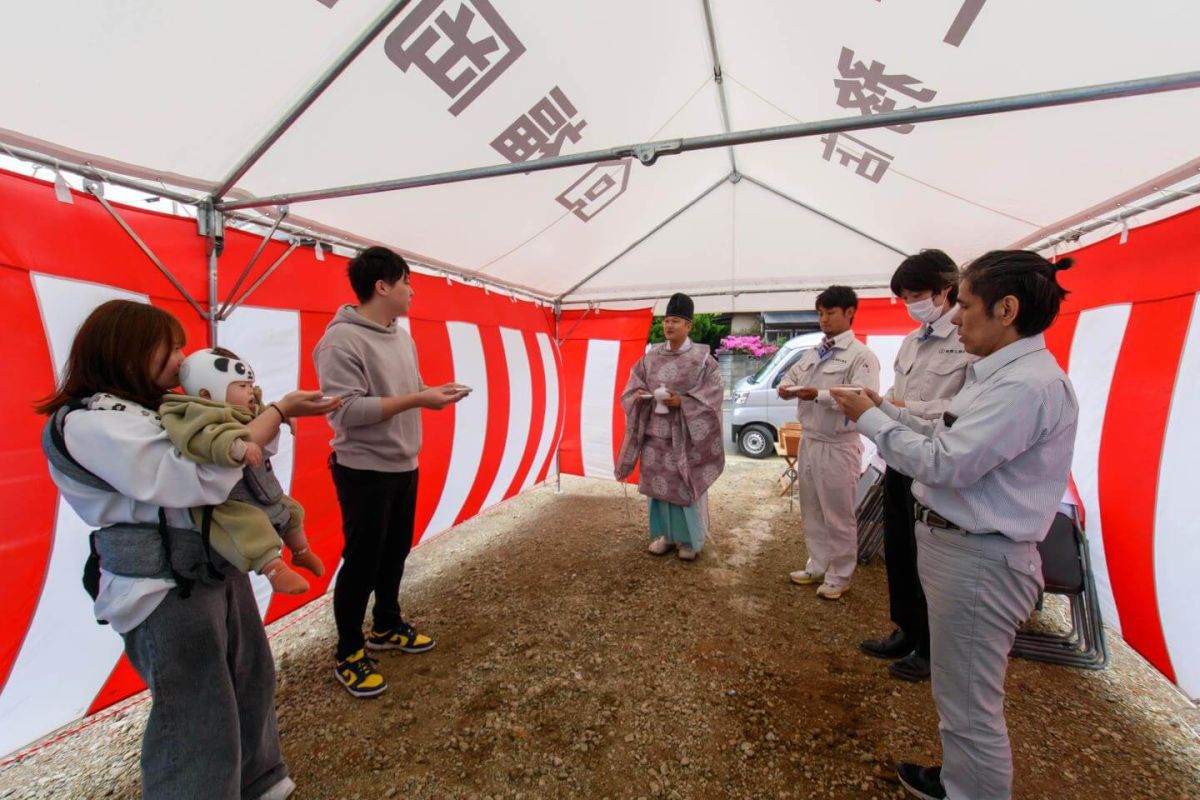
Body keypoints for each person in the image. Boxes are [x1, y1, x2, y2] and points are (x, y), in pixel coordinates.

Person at [38, 299, 337, 800]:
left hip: (213, 566)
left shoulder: (160, 407)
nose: (180, 356)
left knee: (250, 676)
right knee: (196, 711)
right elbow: (191, 480)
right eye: (168, 346)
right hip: (161, 585)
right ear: (126, 349)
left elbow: (237, 455)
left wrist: (252, 415)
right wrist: (276, 414)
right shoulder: (90, 423)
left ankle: (260, 782)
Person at [834, 251, 1079, 800]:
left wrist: (869, 418)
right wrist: (883, 408)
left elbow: (945, 463)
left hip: (981, 557)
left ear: (1006, 308)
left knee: (970, 704)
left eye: (965, 304)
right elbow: (946, 430)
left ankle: (971, 790)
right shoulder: (1001, 374)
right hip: (962, 548)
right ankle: (958, 780)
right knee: (958, 691)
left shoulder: (1026, 387)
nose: (956, 316)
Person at [315, 246, 469, 698]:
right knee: (362, 561)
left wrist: (430, 390)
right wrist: (420, 400)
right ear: (382, 286)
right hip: (363, 470)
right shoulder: (339, 341)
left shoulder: (400, 334)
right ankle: (348, 651)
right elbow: (346, 413)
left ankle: (386, 624)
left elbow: (407, 388)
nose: (411, 291)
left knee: (396, 550)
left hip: (404, 463)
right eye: (406, 282)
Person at [860, 251, 974, 683]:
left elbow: (961, 407)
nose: (911, 303)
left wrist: (900, 407)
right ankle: (906, 629)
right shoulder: (911, 340)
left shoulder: (968, 339)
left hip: (939, 462)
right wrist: (881, 402)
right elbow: (897, 390)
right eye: (905, 297)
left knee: (931, 557)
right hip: (901, 456)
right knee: (900, 548)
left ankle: (931, 647)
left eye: (917, 295)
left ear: (946, 290)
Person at [159, 347, 326, 596]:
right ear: (207, 393)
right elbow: (203, 441)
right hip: (230, 502)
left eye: (250, 385)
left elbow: (264, 421)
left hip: (260, 487)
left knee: (291, 510)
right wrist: (237, 447)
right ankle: (274, 571)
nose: (250, 391)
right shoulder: (197, 416)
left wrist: (281, 416)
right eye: (241, 386)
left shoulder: (247, 411)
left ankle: (301, 552)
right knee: (251, 528)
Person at [777, 285, 879, 600]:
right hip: (810, 438)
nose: (824, 319)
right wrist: (786, 387)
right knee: (812, 508)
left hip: (839, 443)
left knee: (838, 512)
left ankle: (841, 573)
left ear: (850, 312)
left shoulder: (860, 355)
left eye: (831, 313)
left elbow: (862, 397)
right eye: (820, 313)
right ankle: (818, 563)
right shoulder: (815, 351)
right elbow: (790, 376)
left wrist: (817, 395)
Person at [615, 292, 725, 561]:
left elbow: (714, 394)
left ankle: (690, 540)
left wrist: (683, 402)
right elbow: (631, 388)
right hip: (656, 435)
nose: (669, 326)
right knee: (657, 488)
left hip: (687, 436)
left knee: (685, 487)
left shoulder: (702, 359)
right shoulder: (650, 357)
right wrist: (640, 397)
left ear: (689, 326)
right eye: (666, 321)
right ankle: (666, 535)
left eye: (676, 321)